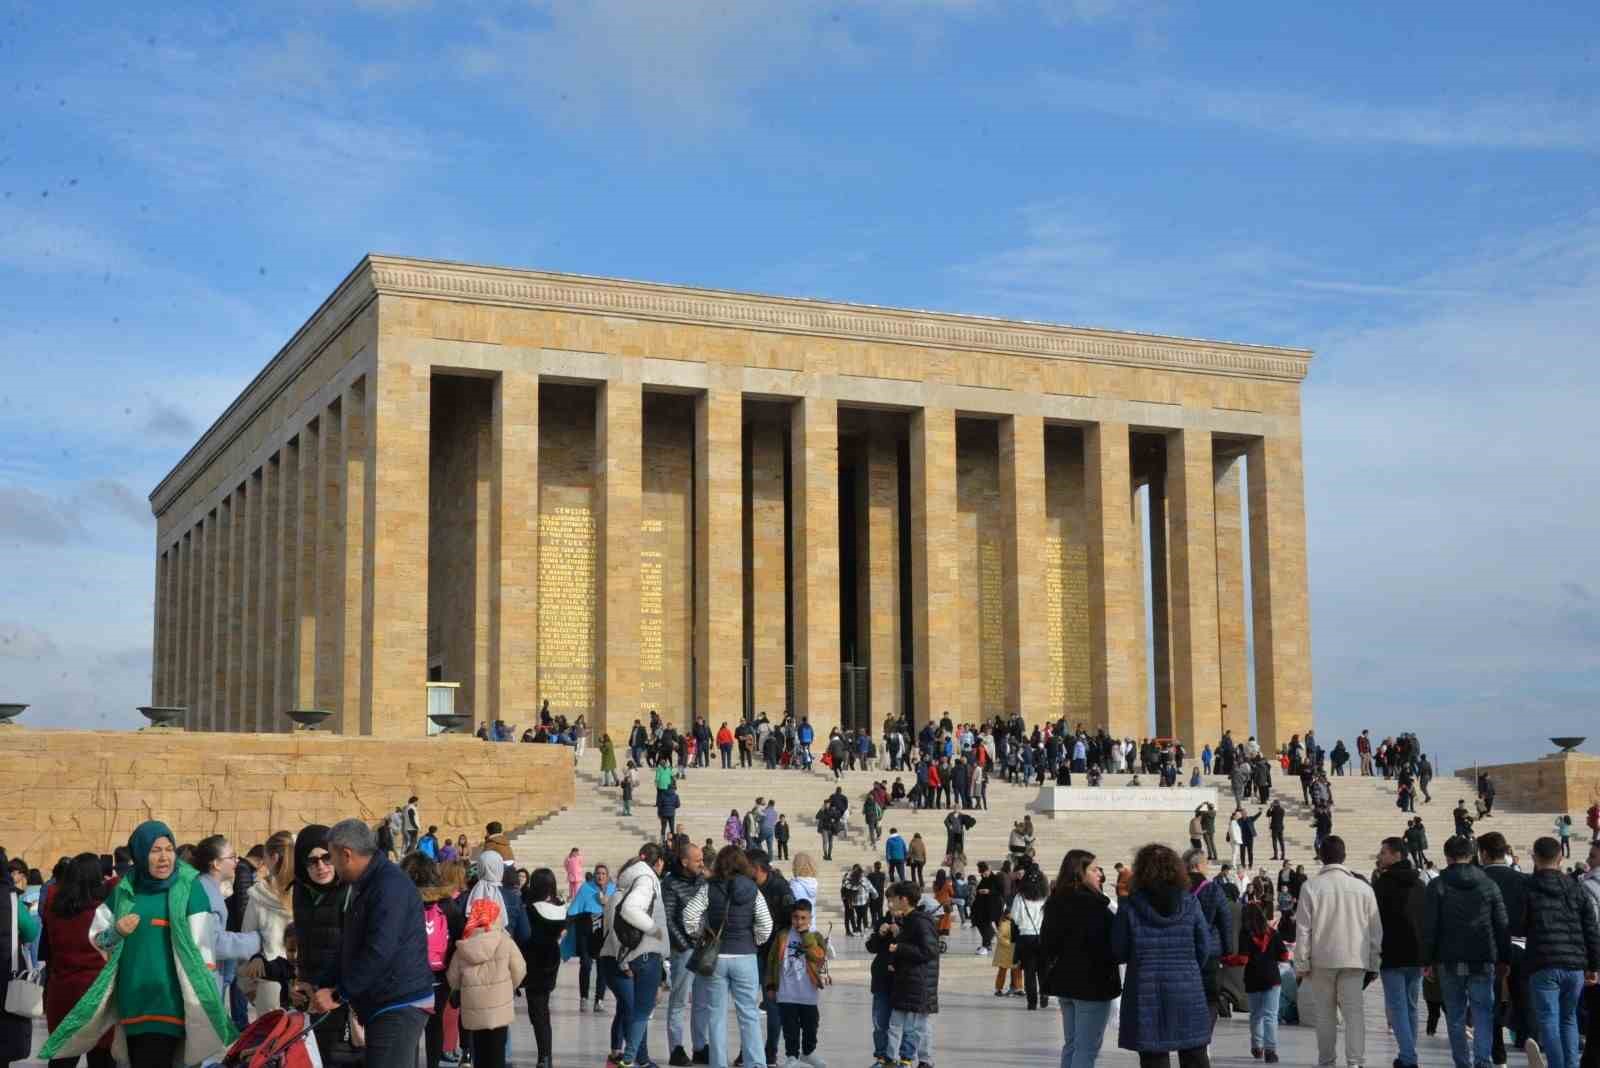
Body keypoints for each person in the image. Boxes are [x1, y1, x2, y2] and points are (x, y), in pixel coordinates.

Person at [39, 822, 234, 1068]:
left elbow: (204, 946)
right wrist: (117, 932)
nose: (164, 857)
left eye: (168, 848)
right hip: (133, 1001)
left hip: (172, 1001)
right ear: (140, 854)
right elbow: (99, 937)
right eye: (155, 850)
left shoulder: (189, 887)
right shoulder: (124, 889)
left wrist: (205, 998)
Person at [309, 818, 435, 1066]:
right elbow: (350, 945)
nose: (331, 865)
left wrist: (338, 994)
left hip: (398, 1002)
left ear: (347, 855)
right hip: (385, 1001)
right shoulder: (367, 883)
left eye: (331, 857)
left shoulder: (389, 886)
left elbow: (379, 951)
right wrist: (320, 984)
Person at [1111, 843, 1212, 1068]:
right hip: (1187, 989)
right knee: (1194, 1053)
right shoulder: (1190, 902)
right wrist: (1189, 968)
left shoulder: (1131, 907)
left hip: (1146, 991)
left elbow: (1119, 951)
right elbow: (1204, 948)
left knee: (1153, 1057)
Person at [1422, 834, 1511, 1068]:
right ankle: (1483, 1060)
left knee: (1455, 1014)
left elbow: (1429, 925)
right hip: (1483, 957)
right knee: (1483, 1012)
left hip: (1448, 959)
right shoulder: (1488, 884)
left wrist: (1427, 960)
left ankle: (1462, 1062)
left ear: (1447, 856)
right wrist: (1504, 957)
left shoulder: (1437, 885)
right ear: (1471, 855)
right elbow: (1501, 924)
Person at [1294, 835, 1381, 1068]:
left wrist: (1301, 965)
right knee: (1354, 1014)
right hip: (1355, 959)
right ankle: (1355, 1062)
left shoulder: (1310, 887)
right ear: (1344, 856)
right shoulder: (1363, 888)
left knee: (1325, 1015)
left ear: (1321, 857)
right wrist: (1374, 964)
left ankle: (1327, 1061)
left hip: (1322, 960)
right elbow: (1375, 932)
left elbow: (1303, 930)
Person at [682, 846, 772, 1068]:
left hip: (717, 958)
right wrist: (755, 940)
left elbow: (689, 915)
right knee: (749, 1014)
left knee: (716, 1015)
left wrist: (701, 934)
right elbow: (766, 923)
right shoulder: (752, 889)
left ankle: (718, 1063)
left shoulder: (709, 888)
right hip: (745, 956)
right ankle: (756, 1063)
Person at [1522, 836, 1600, 1068]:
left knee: (1548, 1019)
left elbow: (1519, 925)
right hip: (1574, 965)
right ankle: (1571, 1065)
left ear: (1535, 857)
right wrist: (1593, 966)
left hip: (1543, 962)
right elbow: (1591, 929)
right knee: (1569, 1019)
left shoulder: (1528, 887)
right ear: (1561, 857)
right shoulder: (1577, 887)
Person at [1040, 849, 1119, 1068]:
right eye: (1094, 870)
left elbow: (1047, 944)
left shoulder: (1056, 901)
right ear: (1080, 873)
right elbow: (1112, 945)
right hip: (1091, 986)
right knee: (1086, 1049)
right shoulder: (1095, 906)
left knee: (1073, 1045)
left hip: (1065, 984)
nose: (1099, 875)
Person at [40, 853, 112, 1068]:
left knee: (62, 1058)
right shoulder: (102, 910)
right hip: (96, 993)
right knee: (102, 1057)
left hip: (62, 992)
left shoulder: (54, 908)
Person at [447, 878, 527, 1068]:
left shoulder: (463, 947)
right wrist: (507, 986)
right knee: (497, 1053)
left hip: (473, 1009)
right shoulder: (505, 942)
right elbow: (520, 970)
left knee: (480, 1053)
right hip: (499, 1009)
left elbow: (452, 979)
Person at [604, 844, 670, 1068]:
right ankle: (630, 1058)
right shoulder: (644, 882)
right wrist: (656, 931)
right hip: (638, 955)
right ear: (658, 862)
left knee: (634, 1010)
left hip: (630, 956)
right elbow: (626, 916)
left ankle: (630, 1057)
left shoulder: (623, 889)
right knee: (639, 1011)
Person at [1374, 836, 1426, 1068]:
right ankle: (1408, 1052)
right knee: (1411, 1005)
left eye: (1384, 852)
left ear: (1397, 855)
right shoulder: (1419, 883)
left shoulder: (1383, 884)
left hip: (1393, 954)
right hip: (1416, 954)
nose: (1380, 856)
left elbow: (1374, 923)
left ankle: (1408, 1055)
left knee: (1397, 1006)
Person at [766, 897, 833, 1068]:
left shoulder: (815, 936)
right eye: (796, 917)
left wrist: (805, 935)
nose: (799, 921)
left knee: (811, 1026)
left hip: (808, 993)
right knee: (790, 1029)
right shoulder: (782, 936)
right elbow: (773, 961)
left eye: (803, 918)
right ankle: (791, 1056)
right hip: (786, 993)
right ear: (791, 918)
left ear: (810, 918)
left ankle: (808, 1052)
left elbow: (818, 956)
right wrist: (771, 985)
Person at [662, 841, 710, 1067]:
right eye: (698, 859)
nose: (702, 863)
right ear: (684, 861)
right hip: (684, 950)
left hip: (704, 948)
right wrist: (684, 946)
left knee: (702, 1000)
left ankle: (700, 1047)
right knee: (679, 1000)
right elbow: (668, 919)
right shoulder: (670, 884)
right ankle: (676, 1049)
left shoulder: (703, 881)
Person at [882, 879, 940, 1068]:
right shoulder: (908, 920)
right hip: (906, 980)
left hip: (918, 982)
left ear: (904, 899)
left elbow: (929, 951)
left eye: (896, 899)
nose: (893, 903)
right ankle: (891, 1059)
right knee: (897, 1023)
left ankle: (919, 1060)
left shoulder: (920, 921)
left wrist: (900, 948)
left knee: (917, 1026)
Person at [239, 829, 294, 1015]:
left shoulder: (258, 896)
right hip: (304, 982)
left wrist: (247, 987)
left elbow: (247, 940)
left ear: (273, 857)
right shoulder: (308, 894)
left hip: (268, 983)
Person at [1233, 901, 1290, 1062]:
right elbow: (1285, 956)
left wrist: (1228, 960)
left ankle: (1257, 1047)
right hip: (1272, 978)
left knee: (1256, 1015)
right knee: (1271, 1016)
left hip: (1253, 979)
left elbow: (1243, 959)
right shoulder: (1273, 933)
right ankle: (1270, 1051)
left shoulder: (1245, 933)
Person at [521, 868, 567, 1068]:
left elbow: (525, 935)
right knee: (542, 1010)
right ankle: (545, 1055)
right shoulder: (560, 907)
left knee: (538, 1013)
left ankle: (545, 1057)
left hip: (534, 963)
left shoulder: (531, 909)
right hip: (551, 961)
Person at [1011, 865, 1049, 1010]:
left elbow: (1015, 917)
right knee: (1043, 970)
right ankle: (1044, 994)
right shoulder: (1045, 898)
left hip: (1025, 937)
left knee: (1029, 971)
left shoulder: (1020, 898)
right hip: (1042, 937)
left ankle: (1032, 1002)